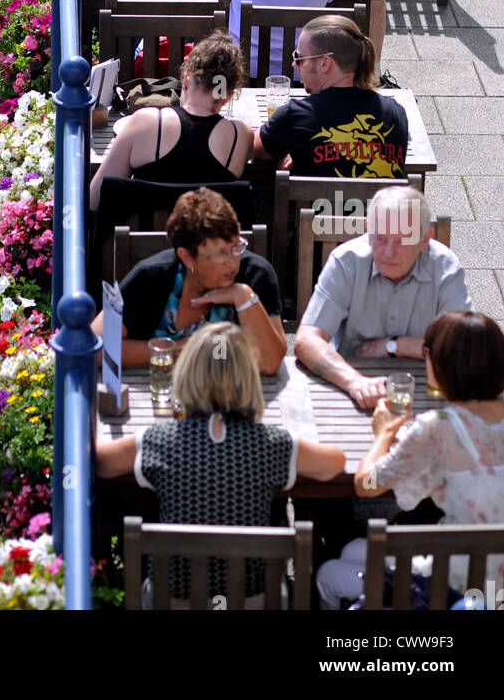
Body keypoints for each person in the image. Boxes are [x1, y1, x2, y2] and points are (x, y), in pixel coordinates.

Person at [96, 321, 345, 607]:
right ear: (249, 378)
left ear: (186, 373)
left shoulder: (158, 441)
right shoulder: (273, 444)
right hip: (255, 602)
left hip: (173, 601)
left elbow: (99, 463)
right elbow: (334, 464)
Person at [317, 311, 504, 609]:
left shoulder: (438, 427)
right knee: (354, 549)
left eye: (427, 352)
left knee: (328, 573)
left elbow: (366, 484)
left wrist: (383, 433)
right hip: (494, 587)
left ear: (439, 364)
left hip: (452, 587)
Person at [294, 187, 474, 410]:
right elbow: (306, 340)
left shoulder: (445, 268)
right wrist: (355, 382)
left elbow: (464, 348)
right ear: (368, 231)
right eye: (380, 238)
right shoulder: (346, 261)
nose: (389, 252)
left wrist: (395, 345)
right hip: (351, 388)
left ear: (425, 239)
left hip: (429, 392)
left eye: (401, 240)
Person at [91, 188, 286, 372]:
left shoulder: (256, 275)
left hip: (235, 397)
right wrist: (174, 350)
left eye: (236, 247)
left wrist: (243, 297)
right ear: (186, 257)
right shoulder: (152, 278)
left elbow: (271, 362)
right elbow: (94, 347)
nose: (232, 262)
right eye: (219, 254)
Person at [90, 32, 253, 211]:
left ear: (185, 80)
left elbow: (95, 198)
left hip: (144, 238)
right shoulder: (241, 135)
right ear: (228, 96)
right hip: (206, 238)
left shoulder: (145, 122)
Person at [254, 14, 409, 179]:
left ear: (324, 63)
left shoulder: (295, 115)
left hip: (316, 206)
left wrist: (297, 149)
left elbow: (252, 148)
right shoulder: (396, 114)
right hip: (376, 205)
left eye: (299, 57)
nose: (294, 64)